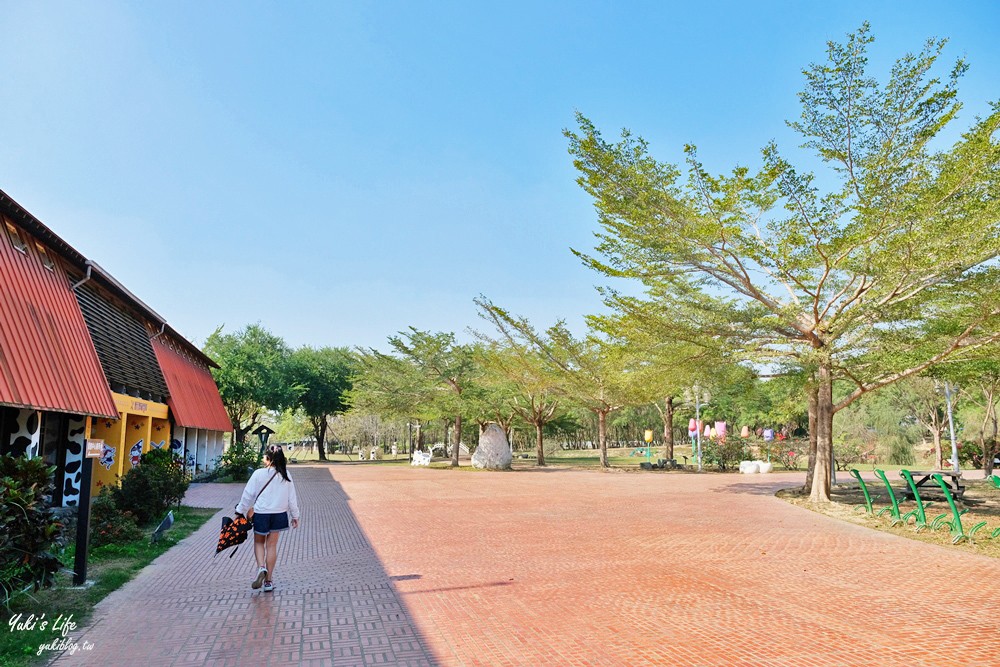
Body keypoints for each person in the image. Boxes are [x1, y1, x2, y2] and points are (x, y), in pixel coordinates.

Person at [236, 445, 300, 592]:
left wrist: (239, 511)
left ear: (268, 458)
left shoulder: (258, 474)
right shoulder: (286, 475)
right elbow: (292, 499)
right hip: (279, 514)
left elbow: (248, 495)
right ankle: (269, 582)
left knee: (259, 542)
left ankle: (261, 568)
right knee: (271, 546)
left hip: (261, 514)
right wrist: (295, 515)